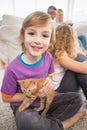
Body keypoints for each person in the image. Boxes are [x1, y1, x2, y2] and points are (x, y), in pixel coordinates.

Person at [1, 11, 86, 130]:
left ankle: (44, 123)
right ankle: (62, 124)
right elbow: (5, 97)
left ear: (51, 40)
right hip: (25, 105)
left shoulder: (48, 58)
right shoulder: (12, 68)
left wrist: (48, 83)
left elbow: (49, 76)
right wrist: (31, 95)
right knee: (27, 121)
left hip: (44, 101)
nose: (38, 40)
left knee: (76, 99)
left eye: (45, 36)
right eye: (31, 33)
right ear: (22, 35)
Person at [48, 24, 87, 99]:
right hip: (56, 93)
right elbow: (84, 69)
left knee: (79, 57)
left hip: (59, 88)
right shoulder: (60, 54)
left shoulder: (57, 51)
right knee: (79, 64)